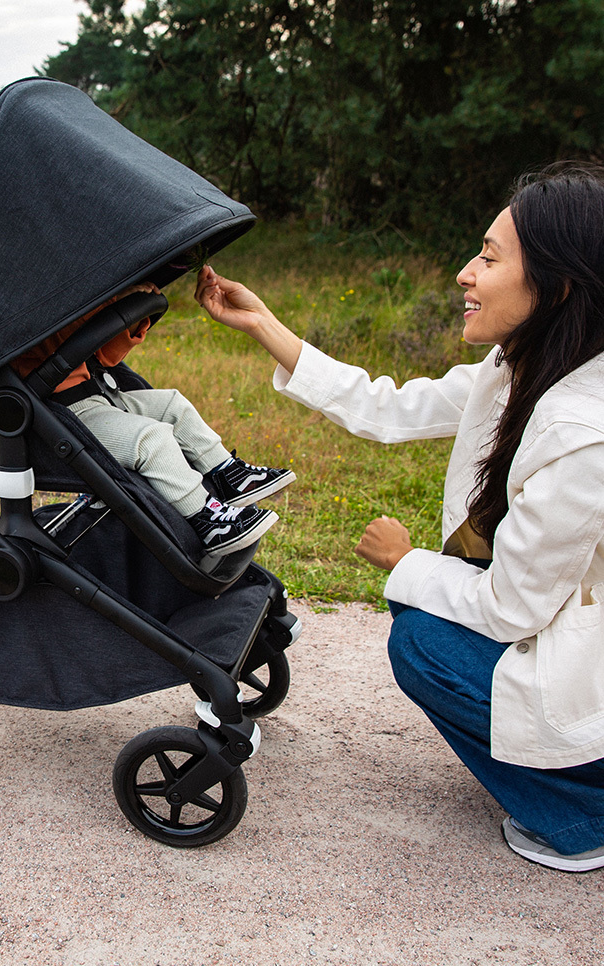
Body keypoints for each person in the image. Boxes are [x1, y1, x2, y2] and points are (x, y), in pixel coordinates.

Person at [195, 164, 604, 871]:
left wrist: (405, 561)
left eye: (489, 257)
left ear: (559, 287)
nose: (464, 274)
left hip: (584, 663)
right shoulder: (525, 367)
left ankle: (581, 816)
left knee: (423, 643)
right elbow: (389, 406)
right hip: (573, 635)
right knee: (430, 616)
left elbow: (511, 609)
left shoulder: (582, 434)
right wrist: (264, 324)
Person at [13, 283, 295, 556]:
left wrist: (132, 314)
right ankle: (208, 521)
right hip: (64, 415)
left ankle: (227, 474)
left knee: (172, 404)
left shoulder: (67, 298)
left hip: (98, 393)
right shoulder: (33, 310)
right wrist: (109, 301)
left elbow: (107, 357)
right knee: (151, 438)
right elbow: (61, 329)